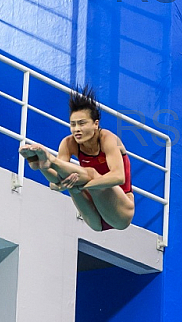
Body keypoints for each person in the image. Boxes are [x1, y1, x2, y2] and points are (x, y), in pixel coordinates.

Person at [19, 86, 135, 231]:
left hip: (121, 211)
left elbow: (118, 177)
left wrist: (85, 185)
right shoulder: (68, 143)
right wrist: (61, 186)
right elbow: (54, 183)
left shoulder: (108, 138)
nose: (76, 129)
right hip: (95, 220)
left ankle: (51, 160)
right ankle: (42, 165)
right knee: (70, 181)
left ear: (95, 124)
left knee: (88, 174)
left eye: (82, 123)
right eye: (73, 124)